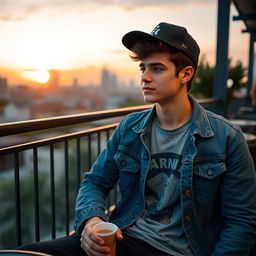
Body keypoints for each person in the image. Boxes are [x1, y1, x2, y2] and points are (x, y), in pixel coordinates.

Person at [18, 22, 256, 256]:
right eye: (143, 68)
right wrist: (91, 222)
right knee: (23, 254)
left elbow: (241, 223)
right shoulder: (130, 128)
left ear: (185, 74)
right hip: (122, 238)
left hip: (181, 250)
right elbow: (95, 182)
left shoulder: (227, 138)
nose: (145, 77)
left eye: (157, 69)